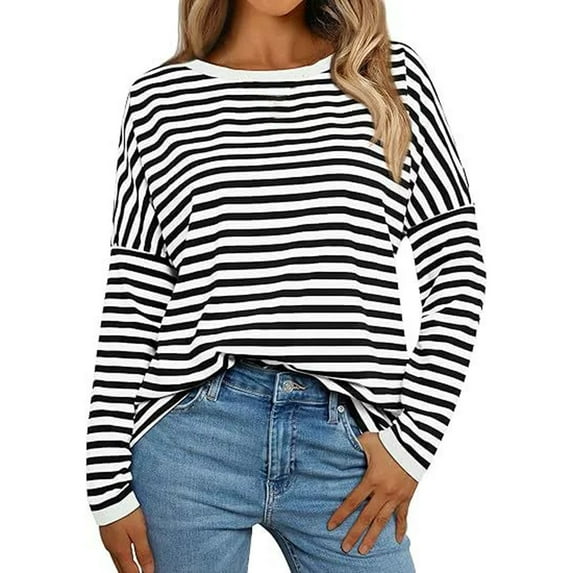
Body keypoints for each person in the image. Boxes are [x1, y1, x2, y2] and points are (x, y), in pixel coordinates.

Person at [85, 0, 487, 571]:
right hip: (189, 438)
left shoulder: (388, 78)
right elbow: (135, 292)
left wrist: (412, 446)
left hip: (347, 443)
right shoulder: (160, 99)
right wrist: (103, 476)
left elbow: (456, 266)